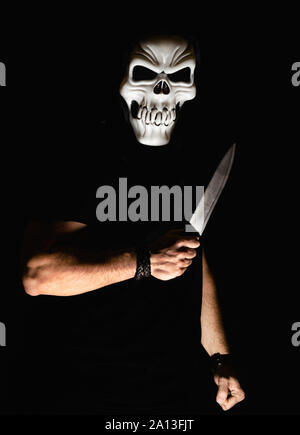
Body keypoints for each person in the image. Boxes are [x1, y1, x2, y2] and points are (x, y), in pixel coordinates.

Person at [20, 33, 245, 415]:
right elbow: (39, 276)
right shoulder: (80, 154)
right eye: (146, 74)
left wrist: (220, 360)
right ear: (120, 77)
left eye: (179, 78)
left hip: (175, 393)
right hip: (88, 393)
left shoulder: (187, 158)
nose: (162, 92)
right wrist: (144, 262)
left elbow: (193, 260)